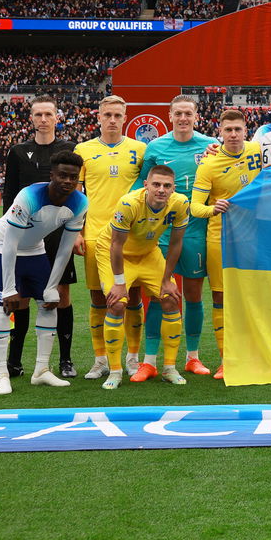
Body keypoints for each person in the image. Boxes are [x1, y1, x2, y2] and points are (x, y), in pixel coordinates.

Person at [0, 151, 86, 395]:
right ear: (52, 175)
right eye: (62, 175)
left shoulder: (80, 202)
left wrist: (52, 286)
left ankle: (41, 371)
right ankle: (2, 374)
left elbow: (64, 250)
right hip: (1, 246)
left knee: (48, 301)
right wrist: (9, 288)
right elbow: (10, 242)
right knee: (3, 305)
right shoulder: (29, 195)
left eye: (73, 177)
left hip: (34, 249)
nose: (68, 181)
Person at [134, 95, 216, 376]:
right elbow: (140, 185)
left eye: (188, 114)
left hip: (195, 232)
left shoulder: (210, 146)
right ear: (170, 116)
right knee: (158, 295)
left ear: (196, 116)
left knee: (193, 295)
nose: (183, 118)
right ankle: (150, 362)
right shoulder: (156, 147)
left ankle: (193, 357)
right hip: (161, 234)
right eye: (178, 113)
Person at [0, 95, 77, 381]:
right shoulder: (18, 151)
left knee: (61, 294)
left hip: (57, 234)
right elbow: (9, 193)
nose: (43, 119)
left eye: (48, 114)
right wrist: (8, 231)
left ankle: (65, 360)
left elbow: (79, 192)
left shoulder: (69, 149)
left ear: (57, 117)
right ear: (31, 118)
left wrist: (79, 232)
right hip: (24, 236)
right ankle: (14, 363)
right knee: (21, 297)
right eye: (38, 114)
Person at [73, 95, 147, 380]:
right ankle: (100, 359)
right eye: (108, 115)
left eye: (118, 115)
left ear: (125, 117)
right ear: (99, 117)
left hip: (132, 236)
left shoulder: (140, 149)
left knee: (133, 296)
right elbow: (79, 196)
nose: (113, 120)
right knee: (98, 298)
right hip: (95, 235)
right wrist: (78, 232)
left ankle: (132, 357)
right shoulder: (83, 149)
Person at [97, 165, 188, 389]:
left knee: (170, 299)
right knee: (117, 303)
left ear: (173, 188)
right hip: (116, 253)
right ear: (146, 185)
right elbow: (116, 245)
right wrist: (119, 284)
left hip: (148, 253)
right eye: (156, 184)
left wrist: (167, 279)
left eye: (167, 186)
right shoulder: (129, 203)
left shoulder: (180, 203)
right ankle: (116, 372)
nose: (161, 190)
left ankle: (169, 368)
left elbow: (176, 243)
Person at [190, 110, 264, 380]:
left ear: (246, 130)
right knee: (220, 297)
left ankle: (254, 355)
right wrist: (212, 208)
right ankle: (226, 360)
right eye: (228, 130)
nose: (233, 134)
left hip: (254, 236)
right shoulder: (209, 164)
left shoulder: (257, 150)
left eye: (237, 129)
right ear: (219, 132)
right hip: (220, 238)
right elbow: (194, 206)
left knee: (252, 297)